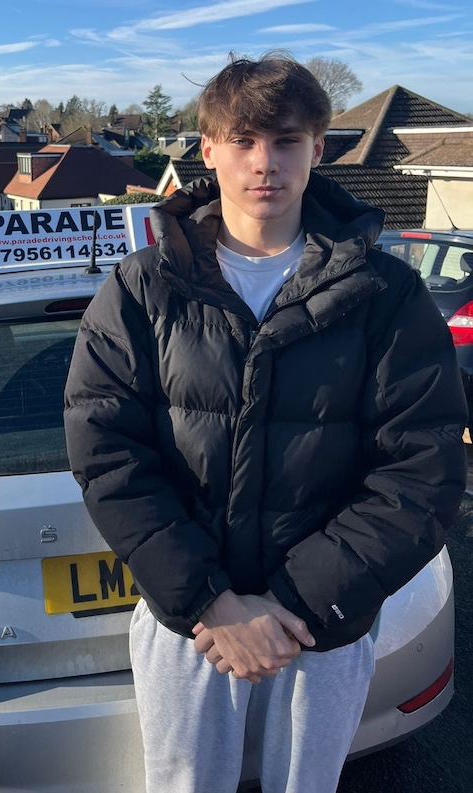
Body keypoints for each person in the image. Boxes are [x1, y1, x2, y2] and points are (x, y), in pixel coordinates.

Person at [64, 52, 468, 793]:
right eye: (244, 141)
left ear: (319, 149)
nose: (265, 162)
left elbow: (423, 469)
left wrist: (289, 608)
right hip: (190, 626)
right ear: (209, 149)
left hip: (318, 627)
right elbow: (106, 452)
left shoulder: (386, 295)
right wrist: (213, 603)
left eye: (286, 141)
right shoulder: (141, 287)